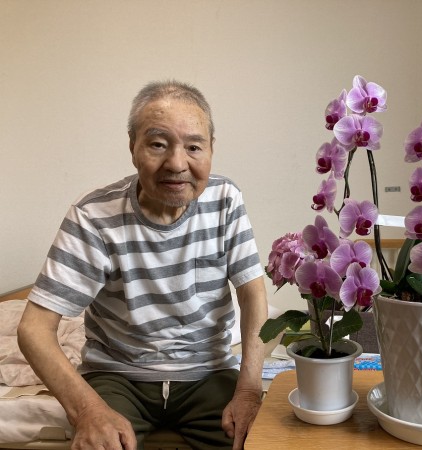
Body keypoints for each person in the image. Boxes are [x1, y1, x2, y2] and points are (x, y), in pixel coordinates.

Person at [17, 80, 268, 450]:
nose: (177, 164)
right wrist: (87, 410)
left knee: (260, 440)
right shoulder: (93, 215)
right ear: (133, 146)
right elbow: (33, 329)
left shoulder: (225, 200)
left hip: (207, 373)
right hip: (117, 376)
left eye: (194, 147)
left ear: (211, 149)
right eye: (158, 144)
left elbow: (252, 294)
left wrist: (248, 390)